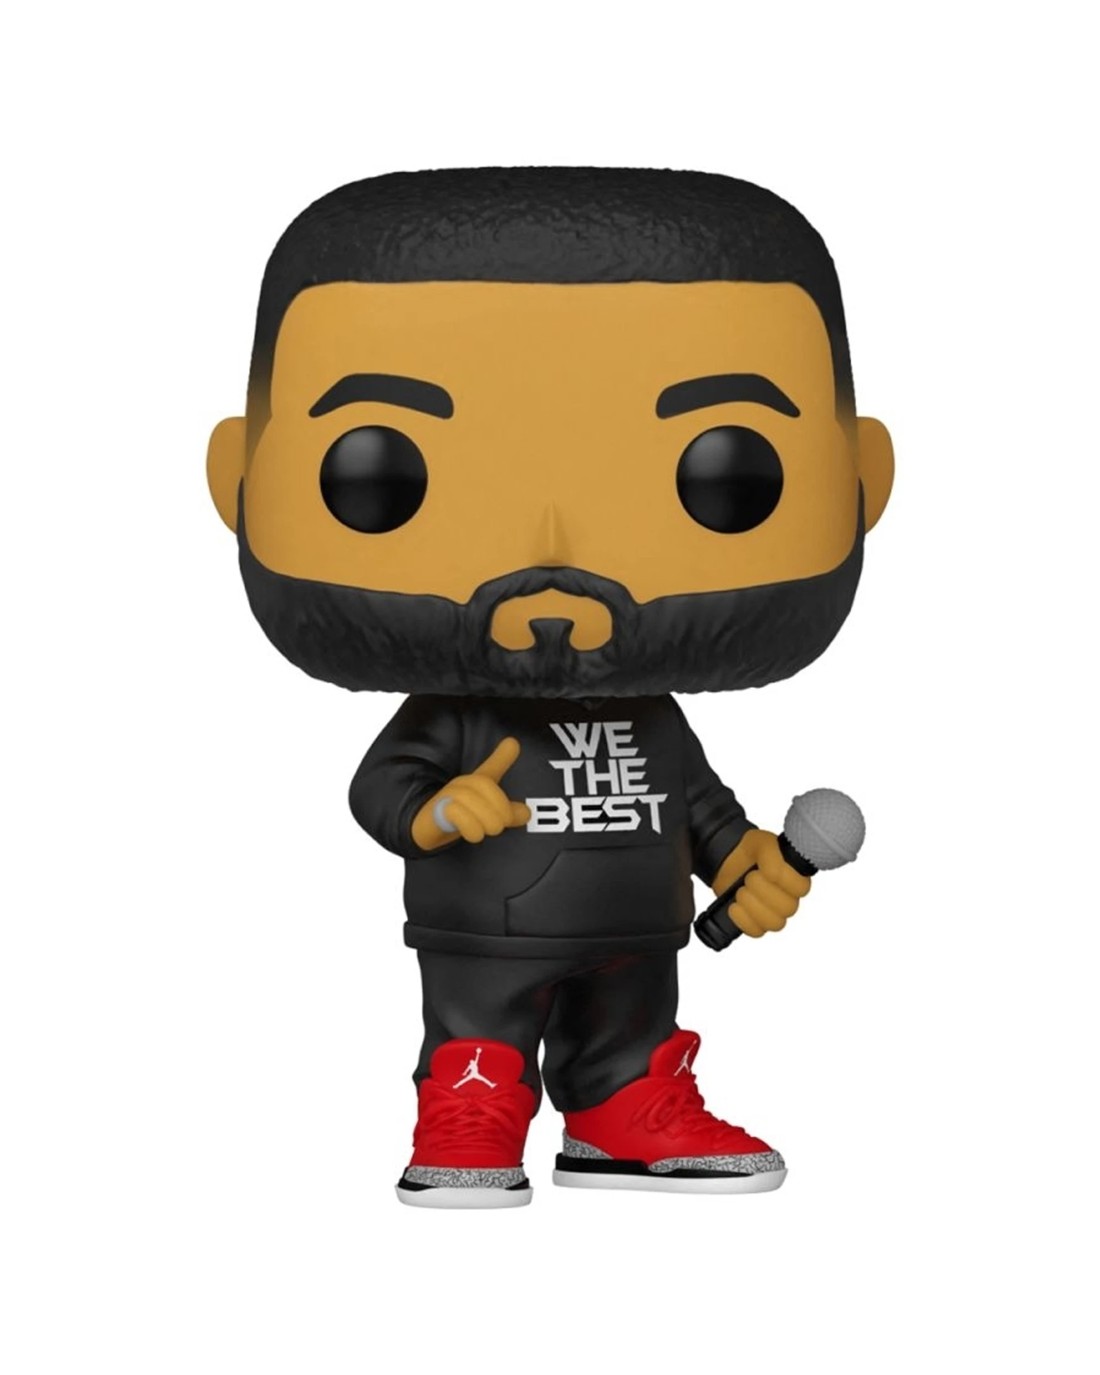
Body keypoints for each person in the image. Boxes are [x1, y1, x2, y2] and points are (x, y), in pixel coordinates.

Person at [207, 167, 894, 1208]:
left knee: (632, 1030)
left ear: (861, 480)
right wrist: (440, 811)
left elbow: (696, 804)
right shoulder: (457, 713)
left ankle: (625, 1106)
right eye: (379, 470)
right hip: (484, 932)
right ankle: (468, 1109)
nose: (554, 565)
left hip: (639, 932)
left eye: (728, 471)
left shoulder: (652, 716)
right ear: (239, 481)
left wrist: (745, 857)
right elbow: (379, 789)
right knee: (478, 1029)